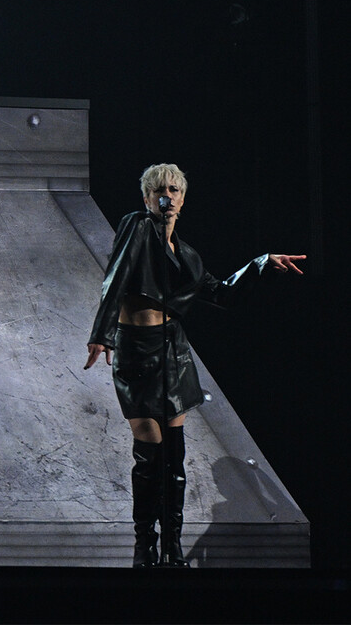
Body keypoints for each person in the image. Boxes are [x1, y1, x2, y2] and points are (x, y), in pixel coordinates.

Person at [83, 163, 305, 568]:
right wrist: (103, 333)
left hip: (174, 352)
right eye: (158, 191)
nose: (166, 197)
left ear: (183, 199)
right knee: (149, 454)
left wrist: (260, 263)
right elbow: (115, 277)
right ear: (147, 198)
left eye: (173, 190)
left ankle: (172, 546)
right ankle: (144, 546)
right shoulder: (136, 226)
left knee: (174, 458)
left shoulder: (187, 256)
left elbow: (221, 293)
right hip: (137, 351)